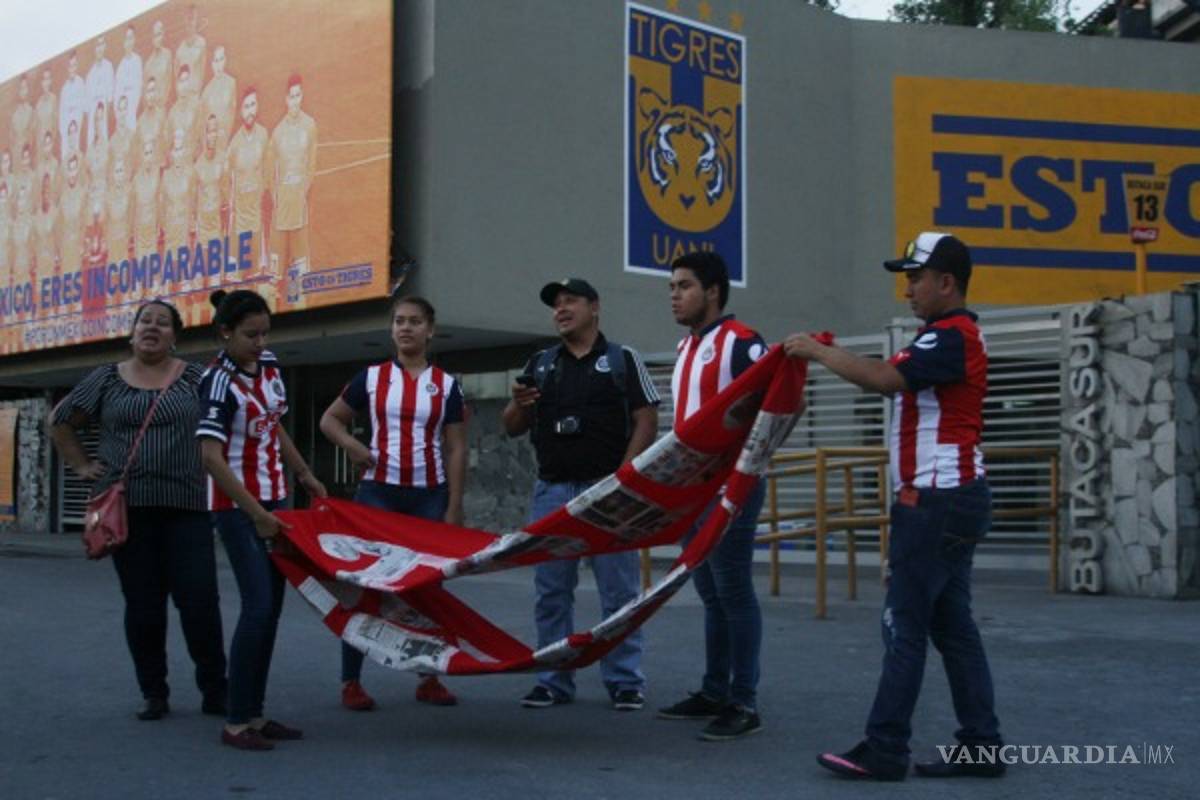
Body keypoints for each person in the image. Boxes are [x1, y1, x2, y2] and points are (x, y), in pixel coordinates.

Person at [785, 232, 1003, 781]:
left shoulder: (951, 336)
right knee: (952, 627)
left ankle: (885, 748)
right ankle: (981, 744)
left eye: (915, 277)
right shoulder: (948, 336)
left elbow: (883, 380)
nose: (907, 289)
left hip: (936, 499)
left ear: (946, 283)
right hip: (950, 498)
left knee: (902, 625)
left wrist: (815, 350)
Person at [49, 299, 227, 721]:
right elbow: (60, 421)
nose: (152, 328)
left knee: (199, 601)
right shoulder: (107, 379)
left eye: (162, 323)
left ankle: (216, 690)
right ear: (131, 332)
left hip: (187, 507)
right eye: (145, 321)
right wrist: (81, 465)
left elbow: (231, 419)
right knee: (144, 605)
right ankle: (154, 692)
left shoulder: (197, 378)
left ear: (174, 336)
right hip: (127, 512)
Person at [502, 278, 659, 711]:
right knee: (551, 590)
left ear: (595, 307)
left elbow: (646, 420)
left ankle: (625, 680)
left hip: (608, 491)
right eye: (555, 304)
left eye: (570, 301)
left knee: (620, 593)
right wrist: (519, 403)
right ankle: (553, 680)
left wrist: (624, 480)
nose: (560, 309)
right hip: (553, 490)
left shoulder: (623, 359)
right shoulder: (540, 363)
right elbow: (512, 425)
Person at [319, 294, 467, 710]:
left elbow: (456, 448)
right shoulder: (370, 378)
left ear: (430, 330)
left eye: (415, 321)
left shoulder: (447, 385)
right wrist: (351, 445)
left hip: (429, 495)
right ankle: (351, 681)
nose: (406, 328)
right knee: (363, 584)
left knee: (428, 587)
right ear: (392, 330)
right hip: (377, 493)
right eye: (399, 321)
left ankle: (429, 677)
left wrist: (454, 505)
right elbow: (329, 420)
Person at [197, 288, 326, 751]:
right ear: (225, 332)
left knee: (269, 610)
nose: (260, 342)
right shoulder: (216, 381)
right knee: (255, 607)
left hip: (274, 503)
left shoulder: (269, 367)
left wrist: (305, 473)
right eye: (250, 334)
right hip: (237, 509)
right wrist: (256, 515)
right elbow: (211, 458)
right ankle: (235, 722)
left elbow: (276, 427)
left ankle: (255, 712)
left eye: (265, 332)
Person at [653, 252, 769, 741]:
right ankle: (714, 690)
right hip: (691, 493)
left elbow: (783, 404)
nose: (675, 295)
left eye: (684, 286)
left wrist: (747, 468)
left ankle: (744, 701)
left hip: (730, 490)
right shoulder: (685, 348)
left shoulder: (744, 344)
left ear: (713, 291)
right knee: (710, 593)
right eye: (672, 287)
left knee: (733, 590)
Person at [267, 74, 316, 302]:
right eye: (291, 96)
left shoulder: (309, 126)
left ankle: (295, 292)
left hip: (299, 201)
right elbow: (270, 171)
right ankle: (276, 290)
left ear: (301, 97)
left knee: (299, 251)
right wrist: (276, 196)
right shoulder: (277, 133)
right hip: (283, 203)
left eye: (298, 95)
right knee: (278, 251)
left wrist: (303, 191)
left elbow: (311, 163)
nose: (295, 101)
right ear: (286, 99)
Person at [225, 87, 268, 274]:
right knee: (237, 278)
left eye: (253, 105)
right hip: (239, 223)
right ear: (240, 111)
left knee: (258, 276)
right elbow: (226, 181)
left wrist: (263, 190)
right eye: (246, 106)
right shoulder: (234, 145)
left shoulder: (264, 136)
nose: (250, 111)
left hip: (257, 220)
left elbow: (268, 169)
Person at [201, 46, 237, 147]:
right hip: (213, 144)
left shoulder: (231, 83)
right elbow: (203, 124)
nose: (218, 65)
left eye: (221, 59)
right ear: (212, 64)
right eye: (216, 61)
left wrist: (227, 134)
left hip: (228, 140)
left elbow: (233, 112)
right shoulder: (206, 92)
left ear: (225, 60)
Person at [85, 35, 115, 148]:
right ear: (94, 48)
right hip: (93, 130)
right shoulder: (89, 75)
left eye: (102, 44)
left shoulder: (109, 68)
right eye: (97, 45)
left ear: (105, 46)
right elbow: (88, 111)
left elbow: (110, 102)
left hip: (105, 125)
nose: (100, 48)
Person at [114, 25, 143, 132]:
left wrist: (131, 113)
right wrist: (121, 118)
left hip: (133, 116)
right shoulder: (120, 67)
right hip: (122, 119)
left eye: (130, 38)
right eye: (126, 39)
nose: (128, 42)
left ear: (134, 40)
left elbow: (138, 90)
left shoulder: (137, 61)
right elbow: (117, 96)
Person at [59, 51, 87, 157]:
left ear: (77, 66)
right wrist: (66, 137)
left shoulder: (81, 84)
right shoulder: (64, 89)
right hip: (67, 136)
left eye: (74, 65)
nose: (72, 69)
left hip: (77, 132)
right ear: (67, 68)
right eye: (70, 66)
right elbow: (61, 119)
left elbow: (85, 109)